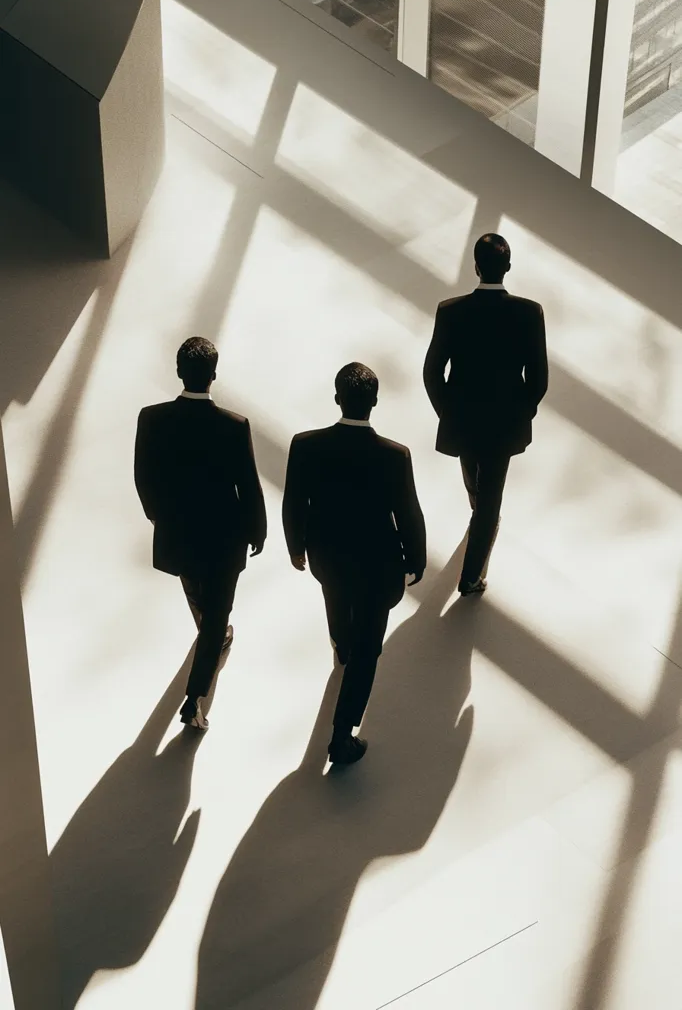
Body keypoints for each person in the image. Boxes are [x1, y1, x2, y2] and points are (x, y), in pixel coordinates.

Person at [282, 362, 427, 765]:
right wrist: (416, 558)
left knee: (335, 599)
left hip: (327, 555)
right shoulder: (394, 456)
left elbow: (294, 502)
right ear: (375, 402)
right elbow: (408, 512)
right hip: (378, 565)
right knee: (369, 651)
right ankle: (342, 733)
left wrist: (296, 546)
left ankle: (339, 645)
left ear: (336, 397)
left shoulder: (306, 445)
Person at [134, 337, 267, 731]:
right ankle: (194, 697)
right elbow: (248, 482)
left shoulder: (152, 418)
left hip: (178, 529)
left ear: (179, 371)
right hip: (225, 534)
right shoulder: (233, 425)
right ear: (213, 375)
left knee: (195, 590)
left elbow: (144, 477)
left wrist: (158, 517)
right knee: (217, 614)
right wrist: (257, 528)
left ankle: (212, 632)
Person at [423, 233, 548, 595]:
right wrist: (521, 413)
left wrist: (447, 411)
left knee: (474, 482)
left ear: (475, 267)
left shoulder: (451, 311)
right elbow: (537, 378)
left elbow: (433, 372)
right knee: (491, 499)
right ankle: (471, 576)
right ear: (507, 267)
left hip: (462, 418)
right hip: (503, 422)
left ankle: (476, 511)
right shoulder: (528, 312)